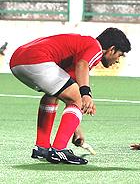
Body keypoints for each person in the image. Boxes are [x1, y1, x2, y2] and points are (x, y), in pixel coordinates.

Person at [9, 27, 131, 165]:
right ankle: (59, 149)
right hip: (36, 60)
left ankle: (41, 148)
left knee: (52, 96)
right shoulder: (95, 47)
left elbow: (66, 94)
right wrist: (86, 94)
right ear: (111, 49)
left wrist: (75, 129)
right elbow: (83, 65)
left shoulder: (80, 47)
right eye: (119, 55)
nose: (117, 60)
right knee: (77, 98)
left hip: (17, 61)